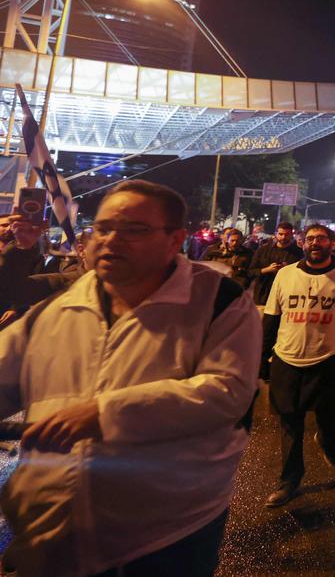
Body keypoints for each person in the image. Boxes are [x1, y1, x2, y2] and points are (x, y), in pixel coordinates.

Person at [0, 180, 260, 576]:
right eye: (102, 228)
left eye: (134, 230)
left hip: (167, 537)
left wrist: (105, 413)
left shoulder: (218, 301)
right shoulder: (57, 308)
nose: (111, 240)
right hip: (52, 533)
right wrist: (17, 251)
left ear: (176, 240)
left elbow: (226, 392)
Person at [260, 223, 335, 508]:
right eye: (309, 239)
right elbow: (271, 317)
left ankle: (328, 440)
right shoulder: (285, 274)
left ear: (332, 243)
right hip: (287, 358)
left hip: (329, 359)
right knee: (289, 421)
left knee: (329, 413)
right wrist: (262, 359)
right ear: (302, 244)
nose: (315, 243)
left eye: (321, 238)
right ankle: (290, 479)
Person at [0, 214, 48, 322]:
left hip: (12, 315)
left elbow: (32, 284)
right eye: (4, 225)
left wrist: (16, 309)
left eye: (10, 225)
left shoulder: (33, 256)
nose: (8, 228)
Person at [249, 222, 303, 309]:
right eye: (281, 234)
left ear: (291, 235)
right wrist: (267, 269)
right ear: (276, 234)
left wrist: (288, 269)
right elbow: (251, 271)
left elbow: (302, 274)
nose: (283, 237)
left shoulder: (299, 253)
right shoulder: (263, 250)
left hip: (287, 293)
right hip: (263, 293)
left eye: (287, 234)